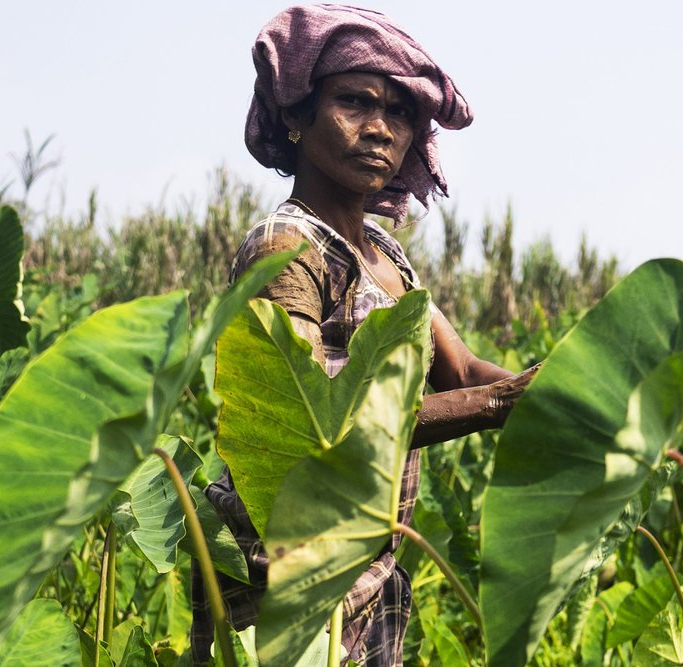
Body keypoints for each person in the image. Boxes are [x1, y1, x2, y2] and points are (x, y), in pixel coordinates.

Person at [190, 5, 538, 665]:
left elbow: (460, 373)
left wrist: (563, 388)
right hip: (287, 576)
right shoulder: (287, 244)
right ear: (296, 116)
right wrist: (498, 407)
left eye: (400, 113)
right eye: (354, 103)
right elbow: (313, 416)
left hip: (365, 575)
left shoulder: (385, 256)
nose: (379, 128)